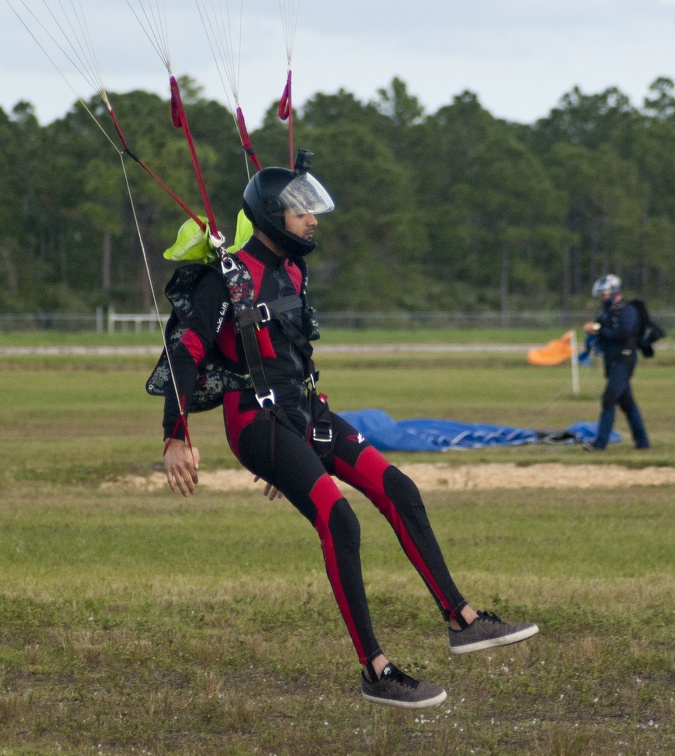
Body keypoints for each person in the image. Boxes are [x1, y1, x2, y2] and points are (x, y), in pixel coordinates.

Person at [161, 155, 539, 709]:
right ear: (271, 215)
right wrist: (176, 437)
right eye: (301, 212)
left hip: (303, 415)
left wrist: (296, 451)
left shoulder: (293, 271)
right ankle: (376, 670)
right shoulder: (228, 278)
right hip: (255, 421)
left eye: (313, 210)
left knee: (400, 490)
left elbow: (293, 354)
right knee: (340, 520)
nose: (313, 220)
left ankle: (462, 620)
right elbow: (184, 355)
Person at [582, 274, 649, 450]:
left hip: (623, 360)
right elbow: (602, 327)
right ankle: (642, 443)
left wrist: (601, 332)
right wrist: (593, 329)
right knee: (627, 403)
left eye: (604, 294)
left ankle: (599, 443)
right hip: (611, 361)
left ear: (614, 292)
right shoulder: (608, 311)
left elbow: (624, 334)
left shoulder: (627, 311)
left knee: (608, 399)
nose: (602, 298)